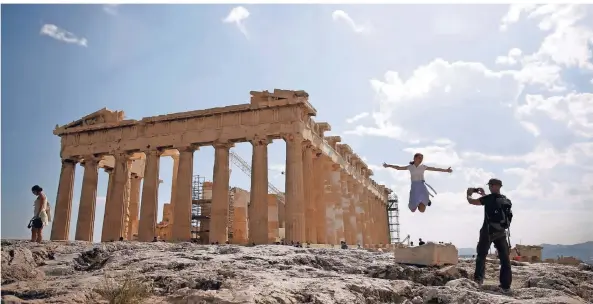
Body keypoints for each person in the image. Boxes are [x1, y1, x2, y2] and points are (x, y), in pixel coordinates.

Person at [466, 178, 513, 292]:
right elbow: (494, 202)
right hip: (501, 232)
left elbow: (472, 201)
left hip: (488, 231)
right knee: (505, 259)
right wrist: (484, 195)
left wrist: (469, 194)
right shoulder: (506, 200)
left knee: (481, 255)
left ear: (492, 186)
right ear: (500, 187)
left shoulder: (488, 199)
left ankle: (478, 281)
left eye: (490, 186)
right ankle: (505, 286)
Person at [383, 153, 453, 213]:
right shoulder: (410, 167)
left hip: (422, 186)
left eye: (421, 158)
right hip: (414, 187)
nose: (420, 160)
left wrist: (446, 170)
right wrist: (388, 165)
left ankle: (424, 200)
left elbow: (435, 169)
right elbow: (398, 168)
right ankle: (417, 202)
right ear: (414, 158)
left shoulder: (423, 167)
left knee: (422, 210)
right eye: (419, 158)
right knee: (413, 209)